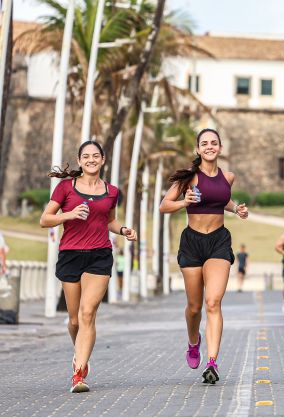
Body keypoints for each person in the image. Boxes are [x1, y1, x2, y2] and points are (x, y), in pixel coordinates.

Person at [39, 140, 137, 393]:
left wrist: (123, 230)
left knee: (87, 314)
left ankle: (79, 373)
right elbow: (45, 219)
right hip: (70, 254)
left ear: (103, 160)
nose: (91, 159)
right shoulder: (65, 188)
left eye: (96, 155)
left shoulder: (111, 191)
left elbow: (109, 221)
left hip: (99, 255)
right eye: (86, 156)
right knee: (74, 320)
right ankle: (79, 353)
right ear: (80, 161)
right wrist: (68, 215)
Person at [159, 128, 249, 385]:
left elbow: (222, 200)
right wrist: (184, 202)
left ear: (220, 148)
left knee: (213, 302)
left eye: (214, 143)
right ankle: (193, 341)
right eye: (204, 143)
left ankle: (212, 361)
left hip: (219, 241)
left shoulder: (228, 177)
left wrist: (236, 209)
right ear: (198, 149)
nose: (209, 147)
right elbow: (164, 205)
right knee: (195, 307)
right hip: (192, 243)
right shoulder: (187, 179)